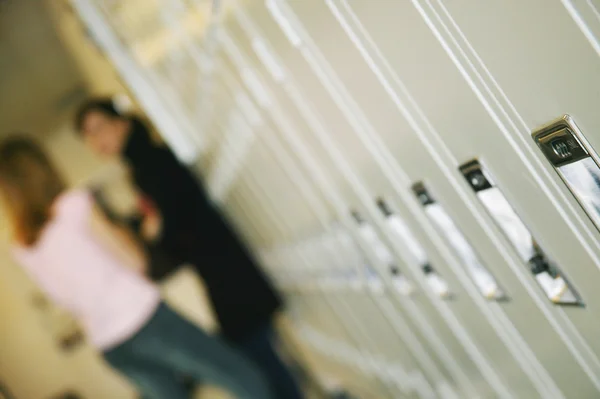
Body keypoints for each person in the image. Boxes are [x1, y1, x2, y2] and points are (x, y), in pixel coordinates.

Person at [0, 136, 274, 399]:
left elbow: (64, 300)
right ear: (42, 167)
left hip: (110, 346)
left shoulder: (22, 248)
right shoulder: (72, 204)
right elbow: (136, 262)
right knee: (241, 375)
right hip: (145, 320)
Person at [75, 98, 305, 399]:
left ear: (122, 123)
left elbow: (178, 227)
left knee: (260, 360)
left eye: (99, 128)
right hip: (222, 269)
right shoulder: (144, 163)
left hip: (226, 271)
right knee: (262, 357)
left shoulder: (149, 164)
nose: (96, 140)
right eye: (88, 136)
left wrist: (152, 233)